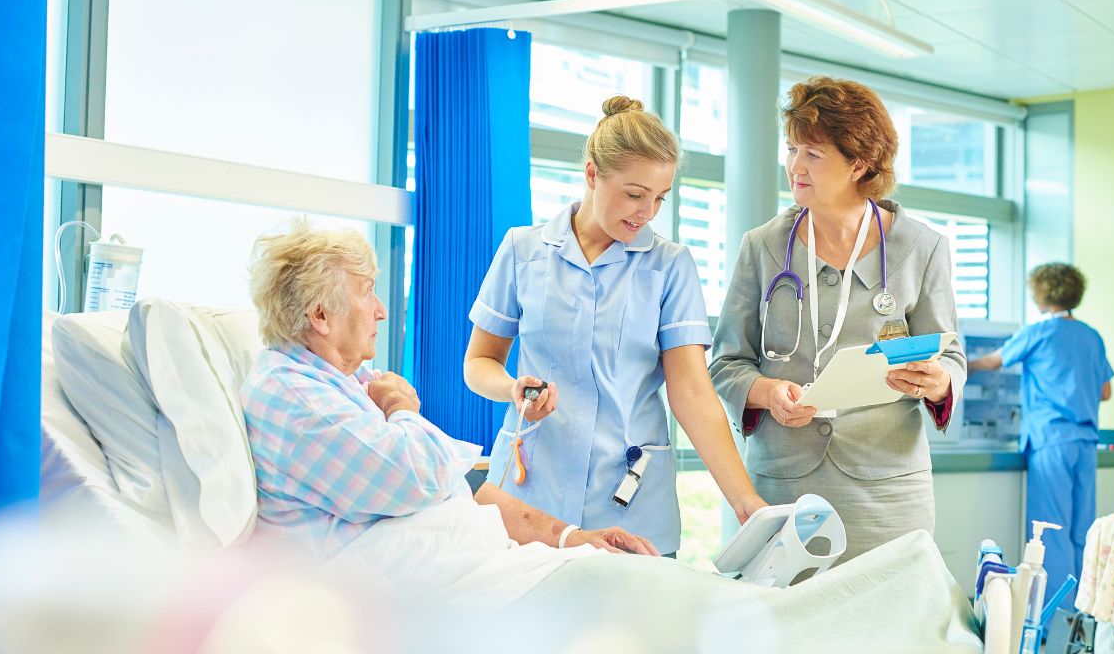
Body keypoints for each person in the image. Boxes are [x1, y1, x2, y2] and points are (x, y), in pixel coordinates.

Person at [238, 220, 658, 560]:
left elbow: (462, 485)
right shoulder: (300, 401)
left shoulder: (345, 382)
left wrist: (570, 538)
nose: (382, 311)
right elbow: (424, 476)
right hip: (410, 588)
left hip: (472, 555)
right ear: (320, 316)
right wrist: (404, 409)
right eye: (368, 293)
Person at [464, 96, 766, 557]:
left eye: (659, 198)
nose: (647, 212)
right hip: (530, 498)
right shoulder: (522, 251)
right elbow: (479, 362)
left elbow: (691, 392)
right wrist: (510, 389)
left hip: (630, 505)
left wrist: (745, 502)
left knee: (630, 629)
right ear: (591, 174)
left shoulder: (669, 266)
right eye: (634, 194)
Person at [709, 75, 967, 564]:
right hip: (784, 483)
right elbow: (725, 362)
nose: (794, 167)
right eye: (791, 150)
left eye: (813, 154)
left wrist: (936, 380)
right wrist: (767, 392)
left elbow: (949, 356)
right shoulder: (762, 246)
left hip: (887, 489)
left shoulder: (922, 247)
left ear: (859, 163)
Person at [969, 262, 1113, 598]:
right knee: (1082, 531)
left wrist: (961, 364)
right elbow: (1105, 391)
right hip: (1086, 443)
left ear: (1040, 295)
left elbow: (993, 362)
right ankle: (1079, 618)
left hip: (1050, 442)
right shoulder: (1092, 336)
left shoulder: (1039, 332)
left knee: (1050, 532)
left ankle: (1051, 624)